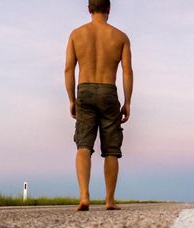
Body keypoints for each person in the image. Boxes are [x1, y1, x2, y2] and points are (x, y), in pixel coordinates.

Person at [65, 0, 133, 212]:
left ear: (89, 9)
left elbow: (68, 70)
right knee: (111, 148)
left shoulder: (76, 34)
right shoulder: (120, 37)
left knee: (83, 145)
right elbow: (127, 72)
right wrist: (128, 101)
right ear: (109, 9)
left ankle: (84, 197)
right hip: (108, 91)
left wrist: (71, 99)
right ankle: (109, 200)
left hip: (84, 90)